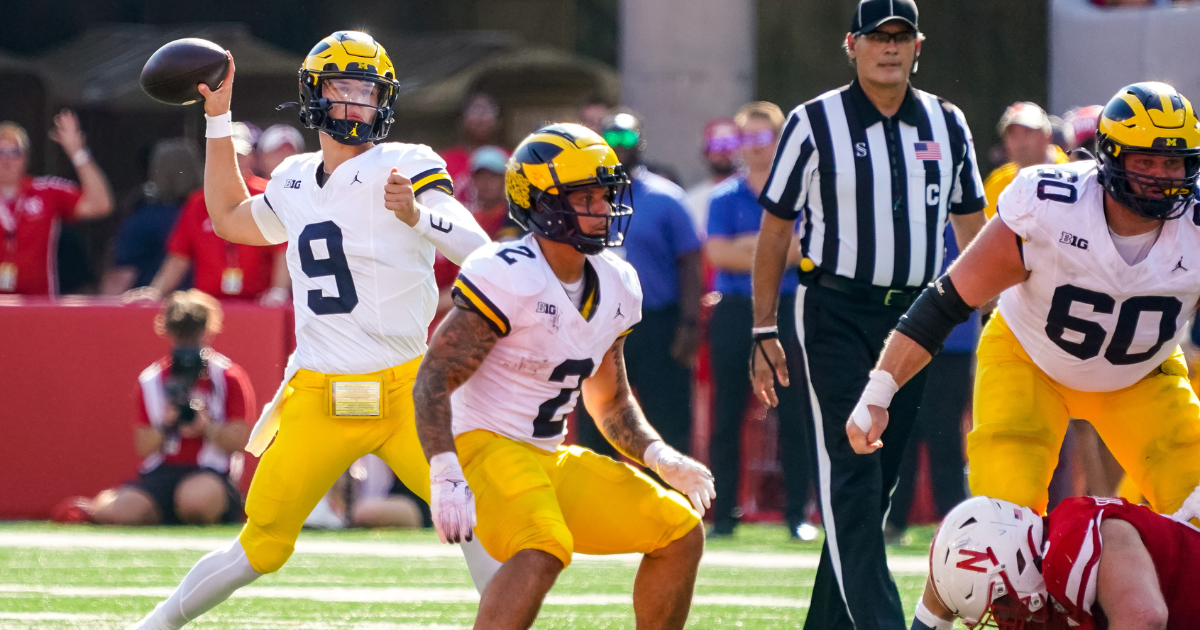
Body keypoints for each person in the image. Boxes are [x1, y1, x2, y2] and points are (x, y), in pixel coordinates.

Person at [129, 31, 492, 630]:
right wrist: (217, 119)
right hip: (321, 392)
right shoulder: (295, 178)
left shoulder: (408, 163)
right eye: (342, 89)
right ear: (313, 95)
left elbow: (475, 247)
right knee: (262, 543)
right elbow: (229, 219)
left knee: (479, 513)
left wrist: (417, 215)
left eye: (367, 92)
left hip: (410, 391)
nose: (355, 104)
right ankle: (153, 625)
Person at [849, 81, 1200, 585]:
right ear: (1111, 156)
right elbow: (948, 301)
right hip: (1030, 359)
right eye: (1146, 161)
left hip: (1140, 372)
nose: (1162, 178)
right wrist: (880, 390)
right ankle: (934, 618)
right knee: (1000, 532)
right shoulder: (1050, 203)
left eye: (1174, 163)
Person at [412, 122, 713, 630]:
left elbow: (611, 401)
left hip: (546, 453)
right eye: (585, 197)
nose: (602, 209)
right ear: (543, 202)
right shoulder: (508, 272)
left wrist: (661, 457)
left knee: (679, 531)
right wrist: (444, 471)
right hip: (483, 444)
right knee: (542, 546)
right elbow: (433, 378)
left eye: (605, 195)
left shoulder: (618, 282)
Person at [749, 1, 988, 627]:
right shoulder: (813, 121)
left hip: (915, 318)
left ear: (918, 47)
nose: (889, 48)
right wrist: (763, 325)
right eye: (877, 37)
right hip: (834, 307)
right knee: (852, 475)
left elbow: (974, 228)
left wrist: (997, 315)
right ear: (850, 45)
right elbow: (775, 229)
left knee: (875, 483)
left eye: (900, 37)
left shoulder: (947, 120)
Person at [705, 102, 813, 539]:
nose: (751, 148)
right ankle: (723, 515)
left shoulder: (801, 192)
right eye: (744, 139)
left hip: (788, 308)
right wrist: (770, 248)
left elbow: (802, 251)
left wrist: (749, 248)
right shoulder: (724, 196)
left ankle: (796, 515)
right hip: (735, 309)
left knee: (793, 413)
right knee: (727, 412)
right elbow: (717, 254)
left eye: (761, 137)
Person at [59, 291, 253, 526]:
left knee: (195, 502)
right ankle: (150, 510)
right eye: (181, 334)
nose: (187, 342)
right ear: (169, 333)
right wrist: (166, 423)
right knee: (115, 512)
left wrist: (207, 427)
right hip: (161, 473)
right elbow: (143, 445)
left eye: (193, 333)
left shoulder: (228, 377)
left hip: (212, 472)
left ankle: (178, 511)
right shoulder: (151, 380)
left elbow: (240, 442)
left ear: (206, 332)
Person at [577, 111, 701, 457]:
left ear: (641, 143)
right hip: (599, 322)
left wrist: (690, 324)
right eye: (611, 139)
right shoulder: (583, 200)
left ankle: (675, 502)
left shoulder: (667, 199)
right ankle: (599, 505)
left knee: (667, 415)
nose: (619, 147)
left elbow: (690, 263)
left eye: (627, 138)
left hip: (657, 323)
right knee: (598, 415)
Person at [912, 494, 1200, 630]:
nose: (1002, 618)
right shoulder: (994, 565)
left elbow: (1145, 618)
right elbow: (937, 602)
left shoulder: (1074, 544)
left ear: (1019, 563)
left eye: (1001, 604)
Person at [883, 221, 974, 541]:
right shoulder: (904, 209)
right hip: (906, 336)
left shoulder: (971, 212)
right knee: (900, 430)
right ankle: (893, 517)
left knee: (945, 433)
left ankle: (954, 519)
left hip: (953, 340)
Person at [133, 123, 290, 305]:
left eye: (238, 154)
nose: (232, 160)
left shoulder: (268, 195)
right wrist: (156, 291)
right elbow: (179, 256)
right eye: (226, 154)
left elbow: (283, 250)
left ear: (250, 158)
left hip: (259, 303)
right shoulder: (198, 201)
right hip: (207, 304)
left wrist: (278, 291)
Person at [0, 113, 114, 295]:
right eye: (1, 153)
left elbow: (100, 205)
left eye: (15, 152)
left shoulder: (47, 190)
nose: (7, 160)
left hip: (38, 304)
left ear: (26, 158)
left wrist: (77, 152)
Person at [102, 139, 202, 294]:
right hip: (204, 310)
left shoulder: (143, 220)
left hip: (152, 312)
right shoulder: (211, 217)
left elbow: (121, 278)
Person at [982, 102, 1070, 218]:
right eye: (1012, 134)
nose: (1020, 142)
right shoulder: (997, 184)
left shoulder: (1070, 176)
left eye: (1028, 132)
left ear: (1047, 136)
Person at [439, 92, 508, 205]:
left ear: (499, 120)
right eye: (474, 111)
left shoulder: (512, 159)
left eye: (487, 111)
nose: (480, 119)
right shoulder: (444, 161)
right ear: (462, 120)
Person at [684, 118, 740, 236]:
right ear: (706, 152)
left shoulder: (757, 194)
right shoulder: (691, 201)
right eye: (716, 145)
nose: (724, 152)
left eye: (730, 144)